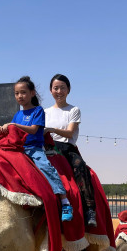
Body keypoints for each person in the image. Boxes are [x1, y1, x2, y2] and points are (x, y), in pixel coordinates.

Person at [0, 76, 74, 222]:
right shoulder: (17, 115)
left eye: (23, 92)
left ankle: (65, 202)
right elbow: (12, 131)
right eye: (17, 93)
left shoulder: (38, 111)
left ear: (32, 93)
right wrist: (1, 129)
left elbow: (33, 130)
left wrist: (13, 125)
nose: (20, 96)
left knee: (46, 167)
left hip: (34, 149)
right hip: (19, 150)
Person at [44, 73, 97, 228]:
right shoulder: (45, 112)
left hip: (67, 149)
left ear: (68, 90)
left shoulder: (73, 110)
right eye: (55, 88)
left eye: (62, 88)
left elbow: (69, 133)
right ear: (50, 91)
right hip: (48, 148)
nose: (58, 91)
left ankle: (90, 209)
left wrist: (50, 129)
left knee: (80, 166)